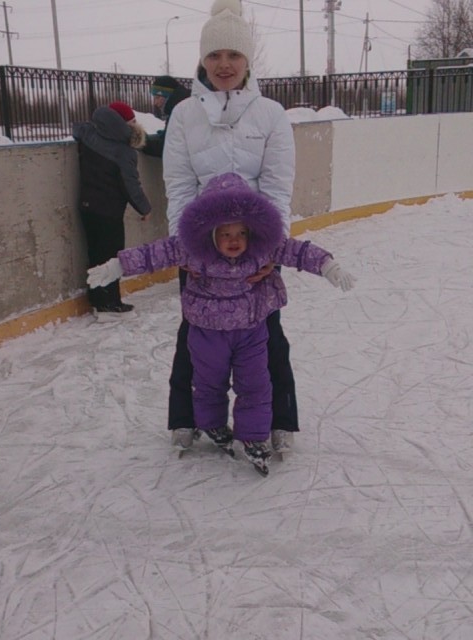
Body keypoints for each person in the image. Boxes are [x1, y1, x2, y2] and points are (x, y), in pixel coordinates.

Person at [87, 173, 355, 475]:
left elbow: (298, 251)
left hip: (251, 331)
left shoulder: (261, 250)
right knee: (208, 384)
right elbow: (153, 254)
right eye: (225, 234)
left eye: (240, 233)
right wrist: (117, 266)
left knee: (256, 384)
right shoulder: (191, 249)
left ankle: (254, 437)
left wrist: (328, 266)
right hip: (206, 332)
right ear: (210, 232)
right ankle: (212, 423)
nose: (234, 241)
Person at [162, 0, 301, 453]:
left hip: (254, 247)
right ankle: (184, 418)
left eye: (234, 55)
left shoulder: (271, 114)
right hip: (202, 248)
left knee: (268, 335)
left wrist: (269, 250)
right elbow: (179, 185)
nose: (224, 65)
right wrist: (188, 250)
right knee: (194, 334)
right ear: (202, 60)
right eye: (215, 55)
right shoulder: (184, 115)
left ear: (247, 61)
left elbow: (278, 188)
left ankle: (280, 419)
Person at [73, 101, 151, 317]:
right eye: (131, 121)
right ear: (122, 124)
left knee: (95, 254)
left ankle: (98, 301)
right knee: (111, 258)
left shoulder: (88, 134)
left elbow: (77, 129)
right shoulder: (124, 151)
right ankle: (111, 303)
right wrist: (145, 208)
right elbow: (130, 185)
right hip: (109, 212)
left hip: (87, 207)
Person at [142, 76, 190, 158]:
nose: (155, 103)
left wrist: (140, 141)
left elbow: (165, 148)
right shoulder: (183, 106)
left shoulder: (179, 112)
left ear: (168, 96)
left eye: (157, 97)